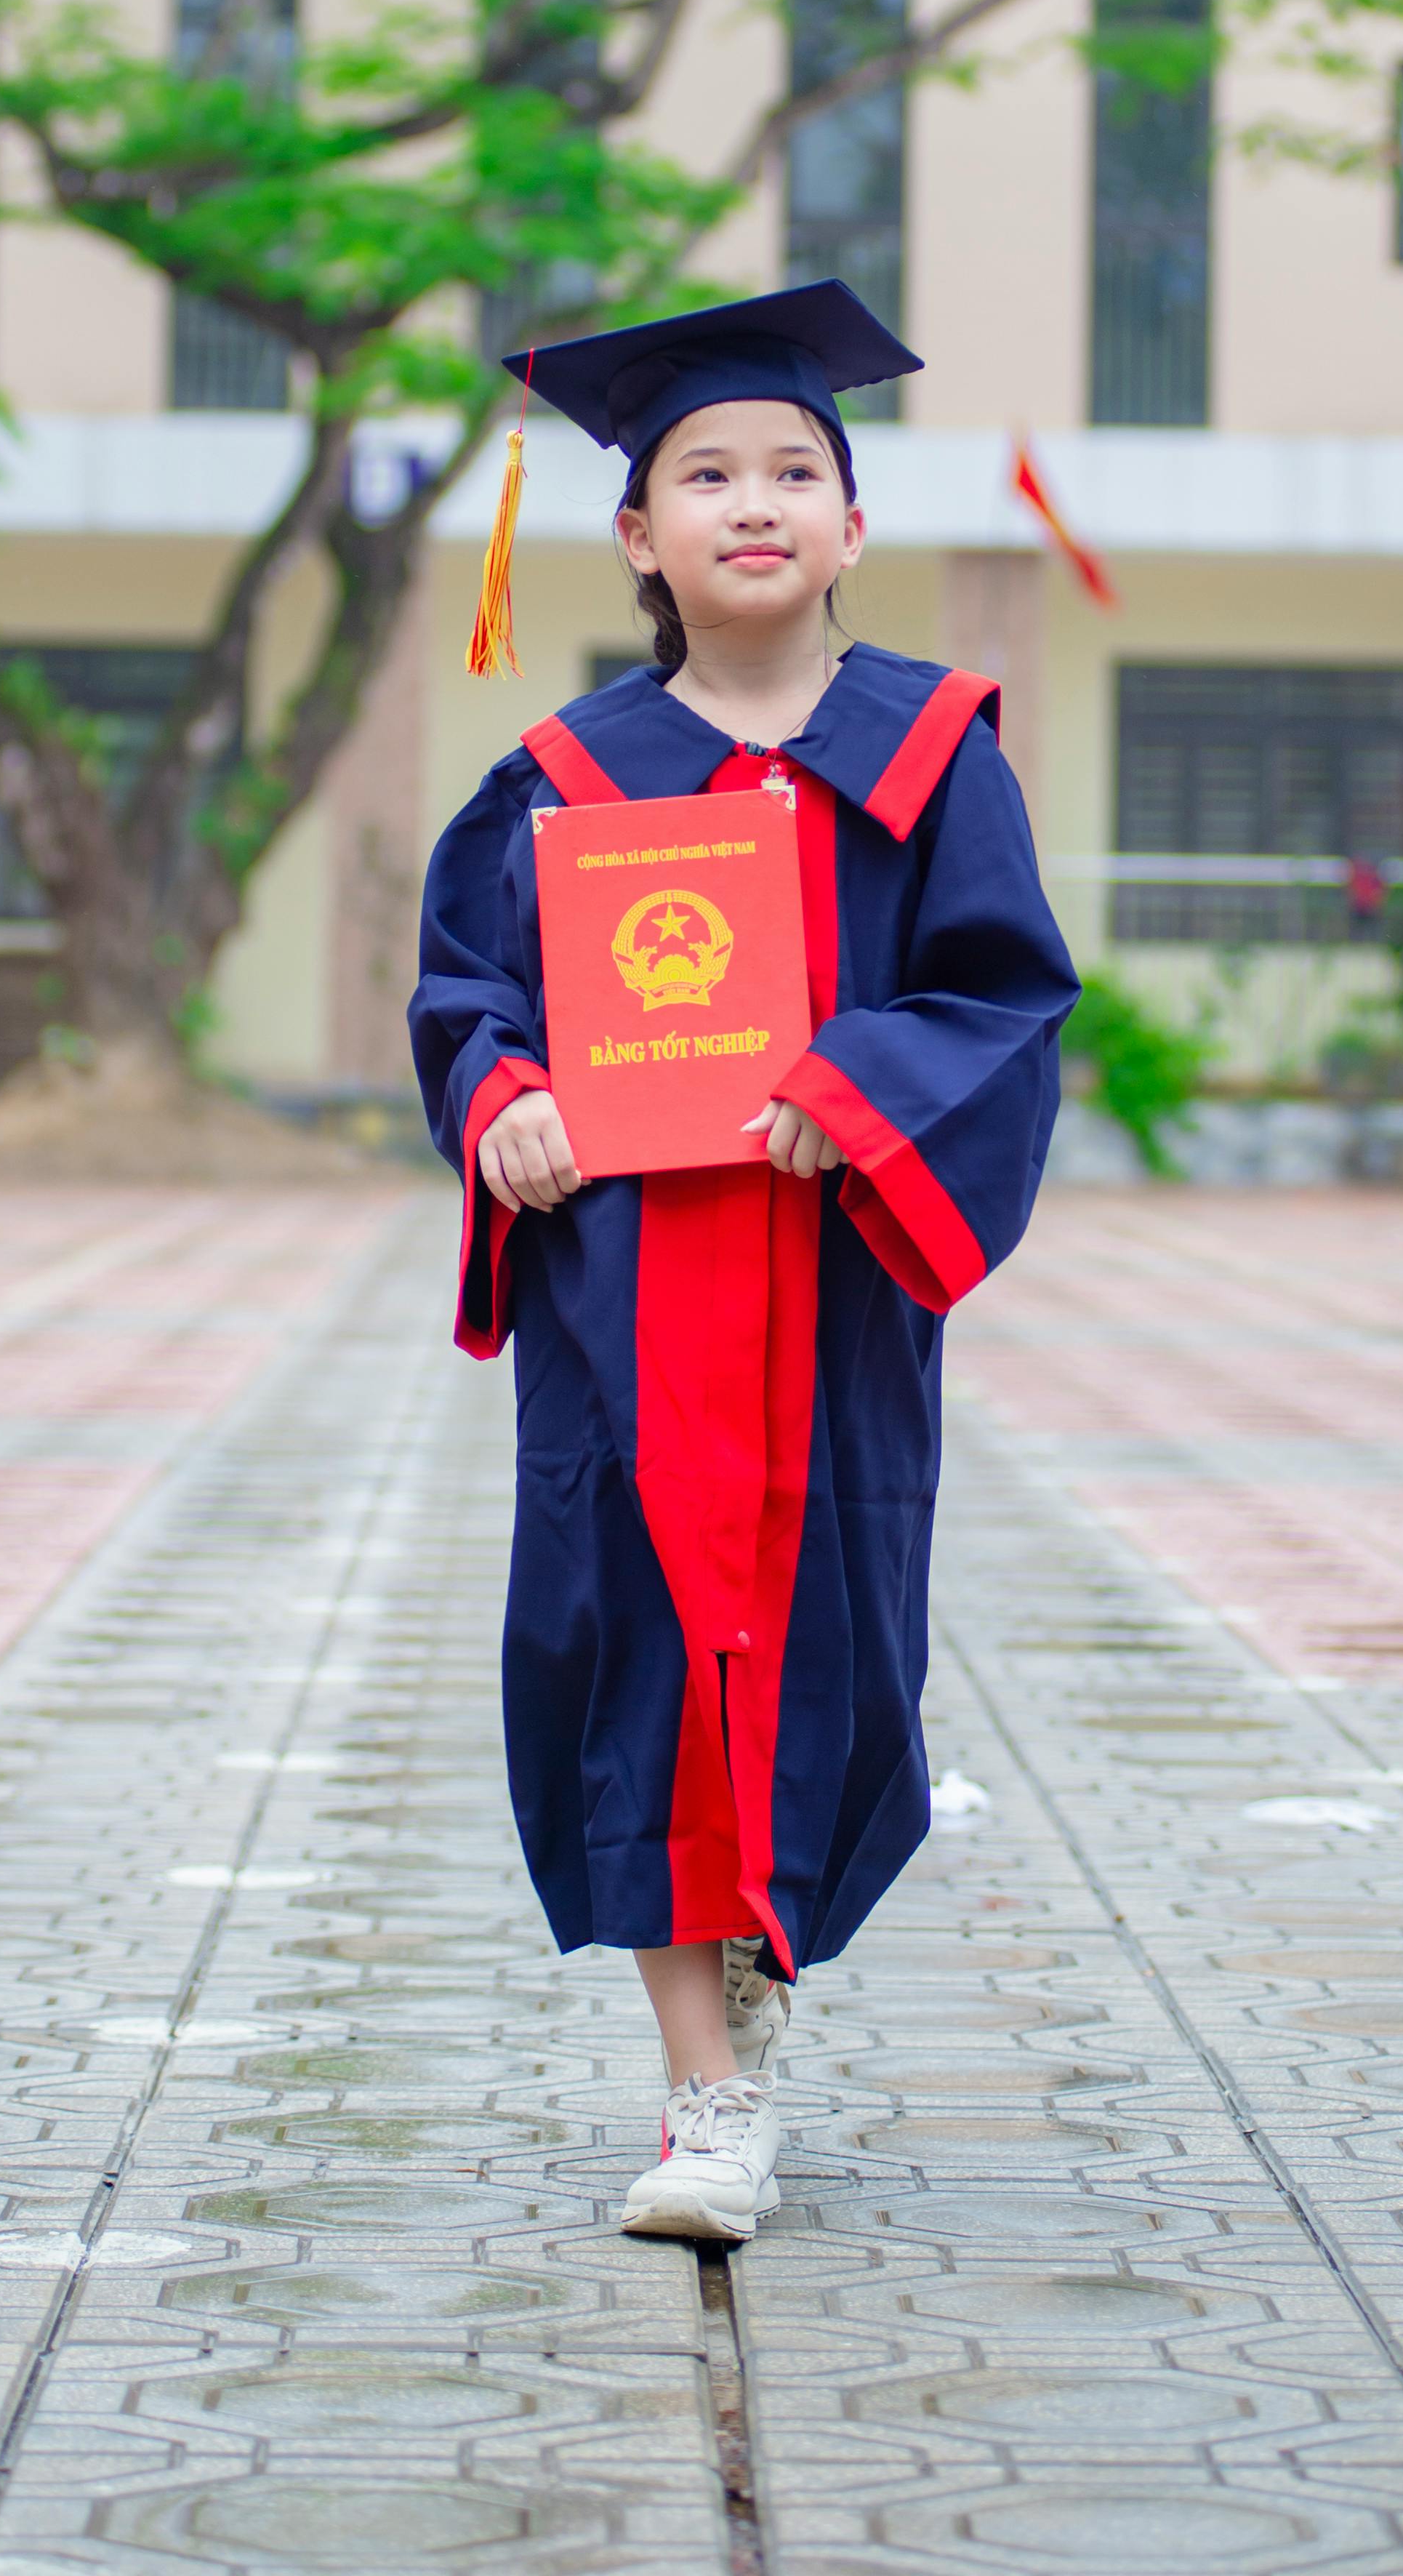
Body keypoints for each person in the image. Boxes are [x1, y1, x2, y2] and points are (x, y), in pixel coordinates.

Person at [409, 281, 1078, 2243]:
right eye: (706, 475)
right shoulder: (565, 774)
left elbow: (1002, 998)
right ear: (638, 536)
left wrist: (864, 1088)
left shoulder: (934, 757)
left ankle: (767, 1931)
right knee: (623, 1640)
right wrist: (506, 1098)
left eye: (796, 469)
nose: (755, 502)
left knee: (821, 1651)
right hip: (623, 1298)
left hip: (830, 1290)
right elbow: (469, 996)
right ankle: (707, 2097)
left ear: (854, 524)